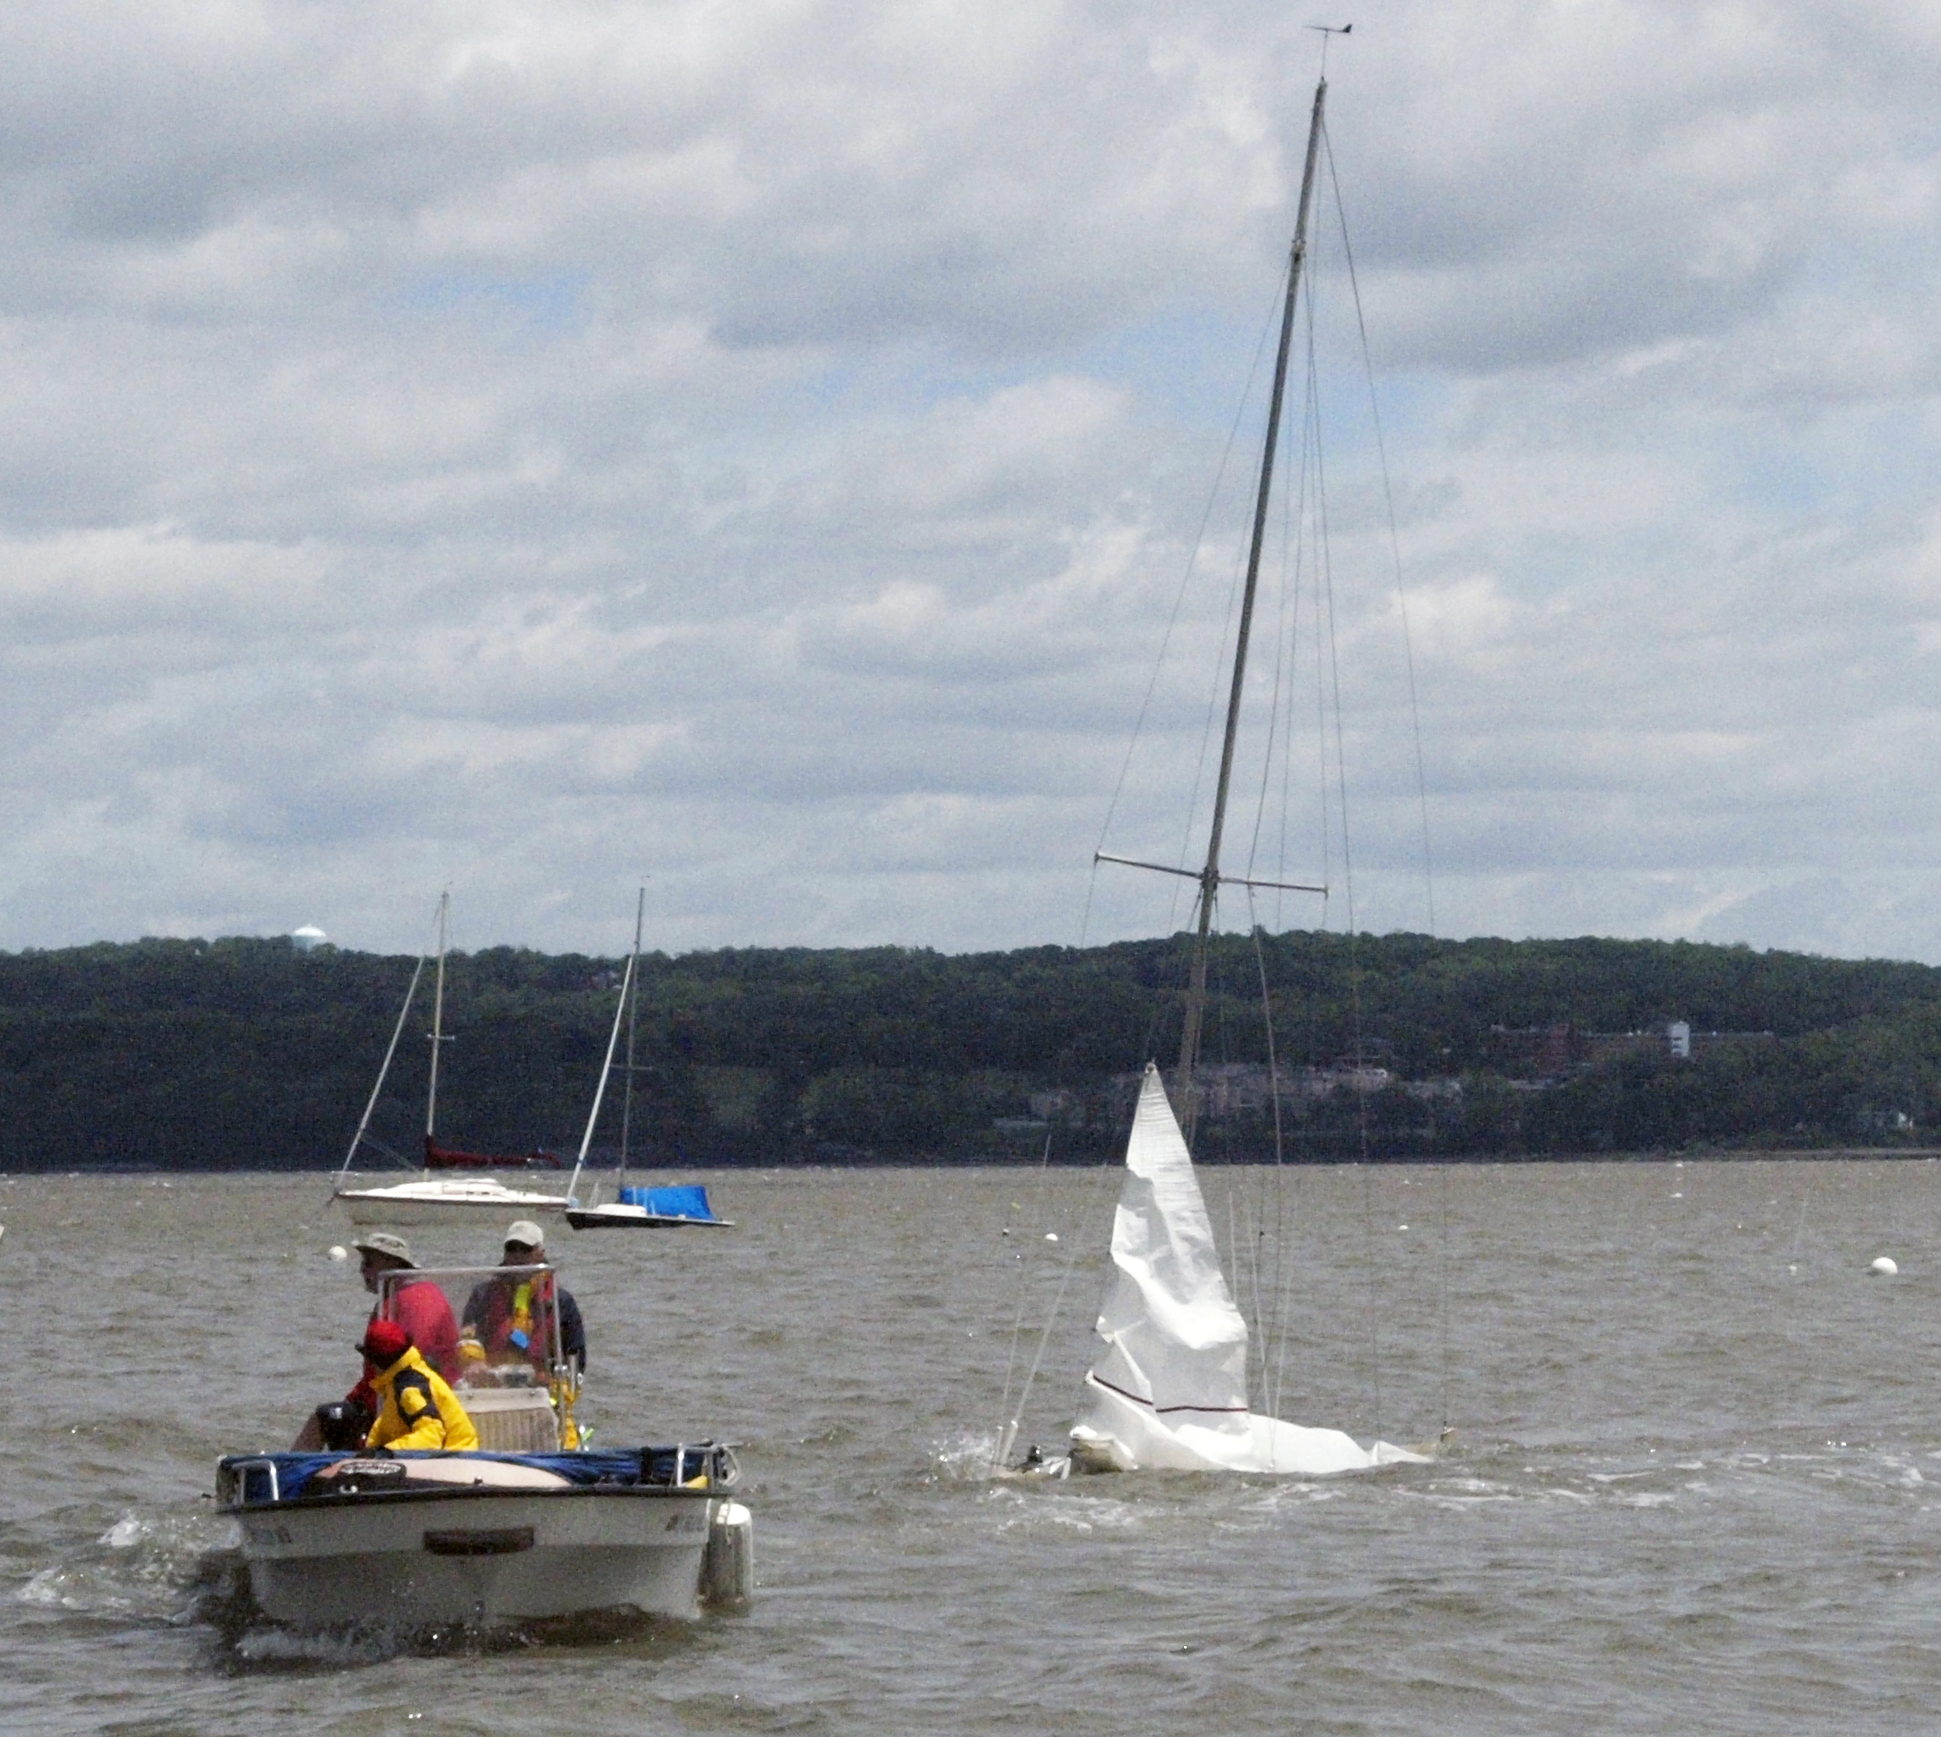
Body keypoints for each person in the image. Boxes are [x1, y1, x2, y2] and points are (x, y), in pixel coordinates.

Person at [460, 1219, 586, 1377]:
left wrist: (554, 1379)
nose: (517, 1255)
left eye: (525, 1249)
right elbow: (468, 1335)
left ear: (540, 1253)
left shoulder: (561, 1302)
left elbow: (576, 1356)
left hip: (542, 1384)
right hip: (491, 1380)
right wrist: (474, 1362)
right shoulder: (483, 1294)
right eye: (511, 1248)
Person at [358, 1318, 479, 1452]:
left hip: (456, 1455)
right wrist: (370, 1451)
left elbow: (431, 1436)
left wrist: (386, 1452)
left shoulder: (410, 1389)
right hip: (444, 1456)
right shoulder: (399, 1380)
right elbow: (386, 1423)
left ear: (378, 1362)